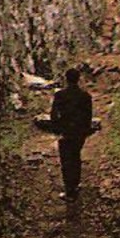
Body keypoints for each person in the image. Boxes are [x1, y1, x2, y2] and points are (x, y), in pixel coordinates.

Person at [48, 67, 94, 202]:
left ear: (66, 79)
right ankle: (76, 184)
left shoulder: (60, 95)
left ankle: (70, 191)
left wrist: (56, 129)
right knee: (76, 156)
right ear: (78, 79)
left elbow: (54, 113)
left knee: (66, 160)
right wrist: (85, 131)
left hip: (66, 131)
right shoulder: (85, 96)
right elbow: (88, 116)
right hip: (79, 132)